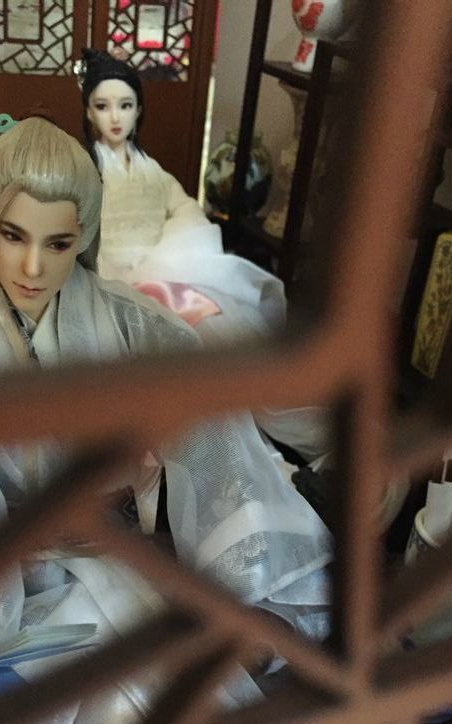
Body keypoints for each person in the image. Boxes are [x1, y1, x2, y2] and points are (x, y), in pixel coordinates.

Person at [0, 115, 333, 668]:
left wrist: (243, 584)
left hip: (117, 554)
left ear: (83, 238)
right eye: (13, 235)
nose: (33, 266)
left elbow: (212, 440)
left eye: (58, 243)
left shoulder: (135, 322)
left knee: (157, 687)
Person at [76, 48, 330, 463]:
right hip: (107, 278)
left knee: (222, 334)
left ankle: (270, 430)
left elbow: (186, 209)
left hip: (163, 272)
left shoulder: (152, 171)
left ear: (139, 110)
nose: (115, 117)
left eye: (125, 105)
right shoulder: (86, 172)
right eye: (103, 106)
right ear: (88, 112)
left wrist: (167, 252)